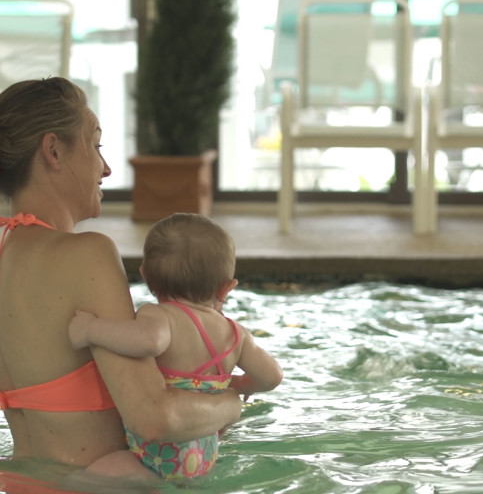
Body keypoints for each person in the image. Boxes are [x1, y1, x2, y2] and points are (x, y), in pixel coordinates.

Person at [0, 77, 241, 481]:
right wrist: (233, 402)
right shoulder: (86, 254)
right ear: (54, 150)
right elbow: (154, 418)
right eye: (96, 146)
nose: (107, 167)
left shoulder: (5, 254)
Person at [69, 212, 283, 479]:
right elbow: (272, 376)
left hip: (155, 458)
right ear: (227, 287)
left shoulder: (161, 316)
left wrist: (90, 330)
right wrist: (243, 385)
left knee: (85, 477)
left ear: (146, 276)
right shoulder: (235, 335)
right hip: (203, 456)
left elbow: (148, 341)